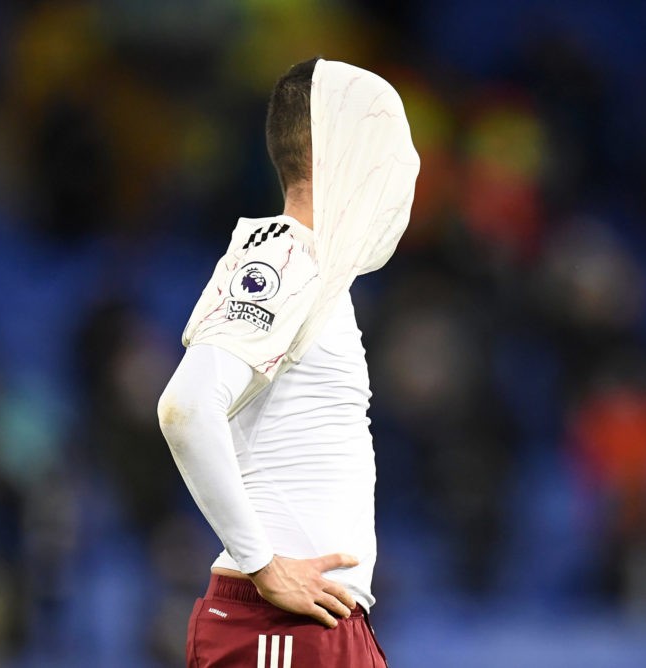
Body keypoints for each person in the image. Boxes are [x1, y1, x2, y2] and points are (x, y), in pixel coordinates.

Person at [157, 56, 419, 667]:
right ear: (337, 155)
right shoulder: (283, 260)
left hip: (316, 623)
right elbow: (185, 406)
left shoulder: (318, 274)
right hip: (278, 626)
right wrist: (264, 566)